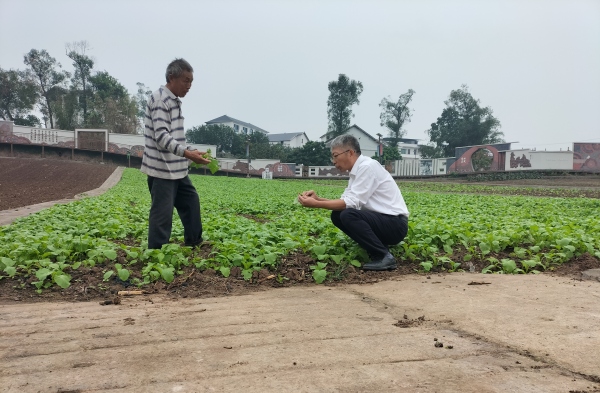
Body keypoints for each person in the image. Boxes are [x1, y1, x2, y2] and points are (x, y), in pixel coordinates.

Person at [298, 134, 409, 270]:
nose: (333, 161)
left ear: (350, 153)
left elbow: (350, 203)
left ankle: (384, 256)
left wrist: (316, 204)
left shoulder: (367, 167)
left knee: (347, 214)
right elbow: (345, 202)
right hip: (384, 222)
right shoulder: (356, 172)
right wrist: (317, 199)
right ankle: (378, 247)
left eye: (335, 155)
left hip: (395, 224)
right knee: (338, 215)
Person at [141, 58, 211, 249]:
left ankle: (194, 242)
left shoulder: (173, 101)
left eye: (191, 82)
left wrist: (189, 152)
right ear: (172, 77)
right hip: (162, 169)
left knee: (190, 202)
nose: (189, 86)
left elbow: (174, 138)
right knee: (162, 215)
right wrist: (188, 155)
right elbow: (162, 137)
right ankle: (156, 254)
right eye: (186, 81)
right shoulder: (160, 100)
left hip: (176, 168)